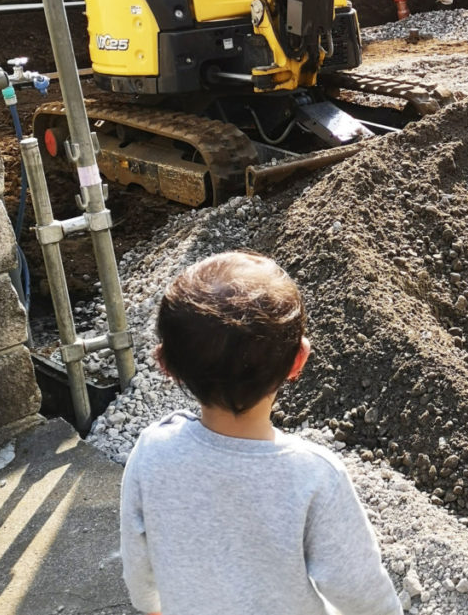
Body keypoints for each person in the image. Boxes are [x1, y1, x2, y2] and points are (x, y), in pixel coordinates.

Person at [119, 251, 401, 615]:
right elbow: (363, 595)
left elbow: (138, 563)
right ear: (298, 361)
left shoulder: (152, 451)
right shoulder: (315, 477)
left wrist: (152, 606)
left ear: (166, 365)